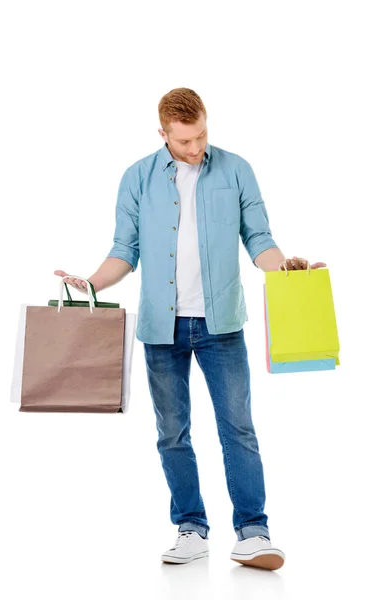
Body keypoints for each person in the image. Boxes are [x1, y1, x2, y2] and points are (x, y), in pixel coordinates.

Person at [54, 87, 326, 570]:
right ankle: (191, 529)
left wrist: (282, 268)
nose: (197, 148)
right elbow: (124, 250)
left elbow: (259, 238)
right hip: (162, 329)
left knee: (238, 429)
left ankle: (253, 533)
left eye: (202, 135)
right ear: (163, 134)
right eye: (185, 141)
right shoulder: (137, 177)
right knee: (172, 434)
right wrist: (90, 282)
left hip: (222, 324)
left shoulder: (236, 169)